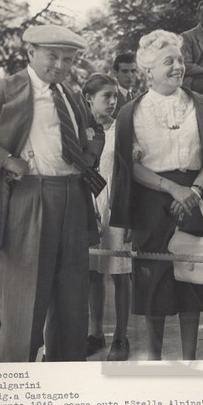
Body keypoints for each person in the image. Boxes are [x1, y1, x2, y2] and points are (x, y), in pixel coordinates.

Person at [110, 30, 203, 361]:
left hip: (194, 201)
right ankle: (154, 360)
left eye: (181, 60)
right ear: (149, 71)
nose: (178, 67)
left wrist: (195, 190)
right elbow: (130, 164)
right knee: (153, 285)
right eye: (169, 61)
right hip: (152, 204)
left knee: (192, 282)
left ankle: (189, 359)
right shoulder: (132, 111)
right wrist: (172, 187)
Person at [0, 24, 105, 362]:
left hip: (73, 197)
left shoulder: (71, 95)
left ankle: (64, 381)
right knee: (24, 303)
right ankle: (18, 386)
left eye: (69, 60)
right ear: (30, 53)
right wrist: (6, 160)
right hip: (27, 199)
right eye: (54, 56)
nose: (62, 66)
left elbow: (95, 128)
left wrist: (91, 155)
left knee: (71, 304)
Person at [83, 74, 132, 361]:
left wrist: (128, 216)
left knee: (119, 272)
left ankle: (121, 338)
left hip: (116, 207)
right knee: (92, 273)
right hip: (88, 206)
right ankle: (96, 333)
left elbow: (127, 174)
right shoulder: (81, 129)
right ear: (89, 98)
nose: (113, 101)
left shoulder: (122, 130)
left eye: (115, 95)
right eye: (106, 96)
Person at [112, 53, 138, 118]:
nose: (129, 75)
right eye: (125, 71)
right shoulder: (110, 97)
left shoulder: (138, 99)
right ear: (116, 73)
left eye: (133, 71)